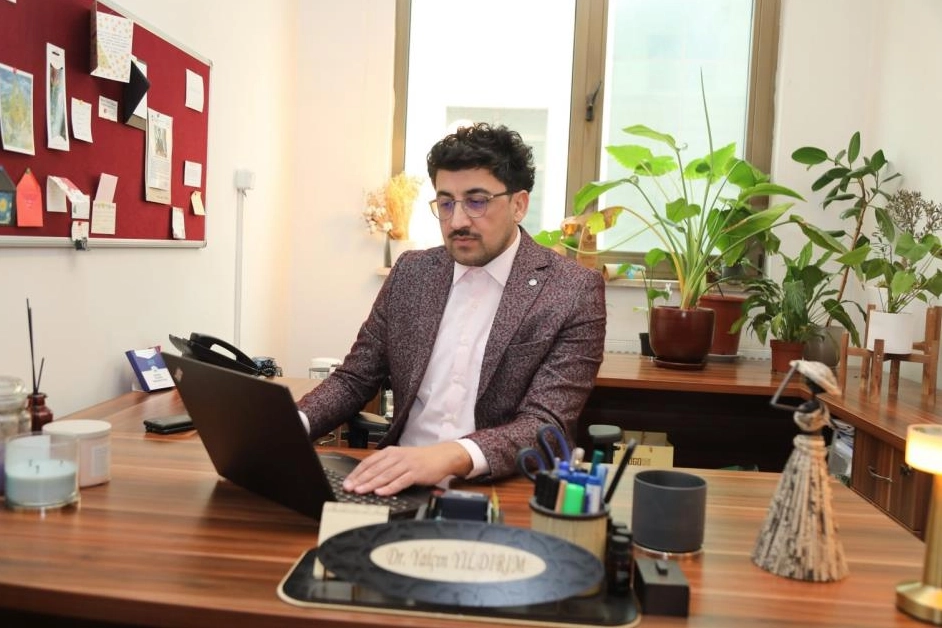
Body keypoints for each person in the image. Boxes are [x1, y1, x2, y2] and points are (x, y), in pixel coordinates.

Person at [297, 123, 606, 496]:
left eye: (477, 201)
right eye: (446, 203)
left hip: (497, 489)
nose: (457, 221)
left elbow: (546, 424)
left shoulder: (572, 290)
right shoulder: (412, 273)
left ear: (519, 205)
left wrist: (450, 456)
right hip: (395, 484)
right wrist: (292, 424)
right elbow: (354, 379)